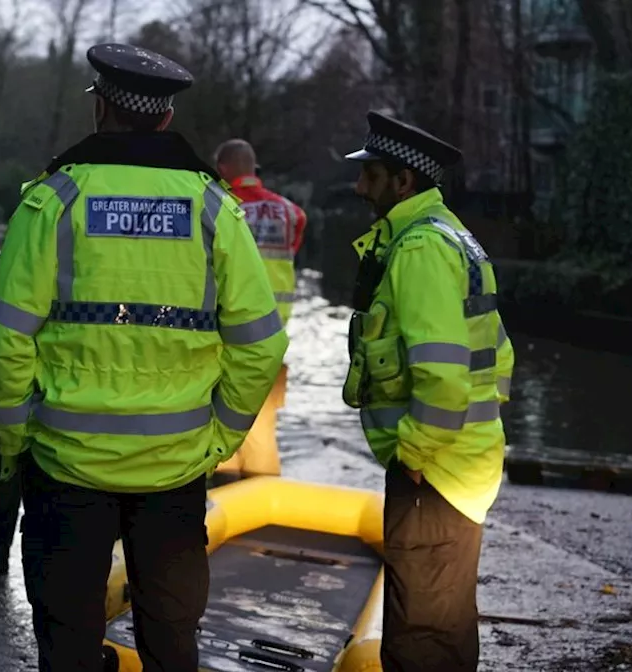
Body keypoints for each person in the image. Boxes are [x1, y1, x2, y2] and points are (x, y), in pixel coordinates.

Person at [0, 44, 285, 670]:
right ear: (166, 119)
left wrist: (16, 440)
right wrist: (218, 438)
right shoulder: (213, 208)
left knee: (67, 638)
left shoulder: (53, 201)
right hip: (173, 471)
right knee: (172, 637)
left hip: (64, 465)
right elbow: (261, 344)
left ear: (103, 111)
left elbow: (4, 335)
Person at [341, 111, 514, 671]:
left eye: (370, 175)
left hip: (434, 473)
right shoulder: (456, 238)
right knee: (444, 623)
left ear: (404, 181)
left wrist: (413, 455)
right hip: (464, 461)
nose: (358, 186)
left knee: (421, 636)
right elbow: (500, 357)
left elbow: (442, 373)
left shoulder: (418, 250)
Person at [211, 139, 308, 482]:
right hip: (273, 339)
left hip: (226, 338)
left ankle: (223, 505)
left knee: (220, 428)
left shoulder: (216, 207)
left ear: (222, 169)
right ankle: (264, 511)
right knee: (263, 427)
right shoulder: (291, 213)